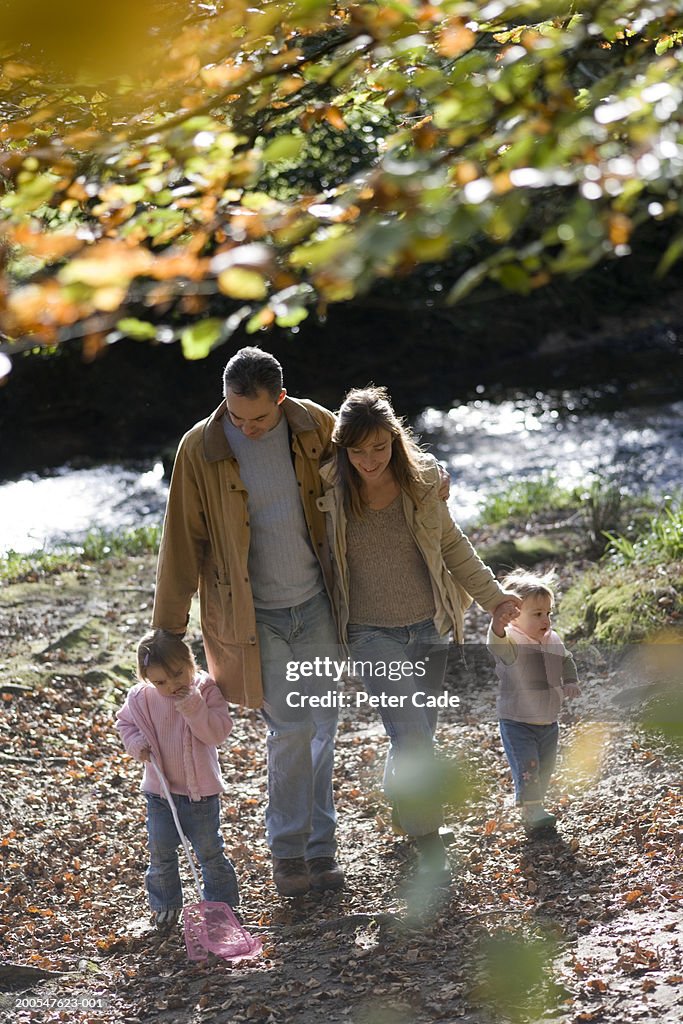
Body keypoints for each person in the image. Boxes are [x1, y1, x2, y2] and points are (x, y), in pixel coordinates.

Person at [151, 346, 344, 898]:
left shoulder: (315, 427)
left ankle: (319, 847)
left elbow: (369, 473)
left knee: (323, 725)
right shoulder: (200, 447)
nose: (246, 427)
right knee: (292, 728)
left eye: (258, 418)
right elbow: (180, 539)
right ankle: (289, 852)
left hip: (317, 605)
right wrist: (168, 629)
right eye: (236, 415)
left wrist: (428, 476)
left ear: (281, 399)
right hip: (251, 617)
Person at [319, 386, 521, 883]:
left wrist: (494, 598)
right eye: (358, 450)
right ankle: (426, 838)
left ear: (395, 440)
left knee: (416, 734)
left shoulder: (423, 481)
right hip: (368, 633)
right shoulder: (326, 489)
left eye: (380, 447)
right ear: (343, 447)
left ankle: (405, 805)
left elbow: (452, 544)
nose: (369, 460)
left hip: (427, 625)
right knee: (411, 735)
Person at [116, 629, 240, 930]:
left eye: (177, 674)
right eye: (160, 681)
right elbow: (125, 723)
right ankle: (166, 906)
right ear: (146, 678)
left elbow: (217, 733)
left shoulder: (206, 690)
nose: (172, 686)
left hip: (201, 796)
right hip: (160, 794)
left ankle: (221, 907)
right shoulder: (141, 698)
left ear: (190, 661)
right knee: (160, 853)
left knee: (210, 853)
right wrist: (136, 744)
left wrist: (193, 706)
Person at [487, 568, 581, 833]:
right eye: (537, 614)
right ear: (515, 618)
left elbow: (566, 659)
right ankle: (532, 811)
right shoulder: (512, 640)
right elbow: (496, 643)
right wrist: (497, 624)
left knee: (545, 765)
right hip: (518, 721)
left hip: (549, 720)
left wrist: (571, 681)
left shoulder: (552, 639)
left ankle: (535, 806)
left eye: (548, 613)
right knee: (528, 765)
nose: (546, 620)